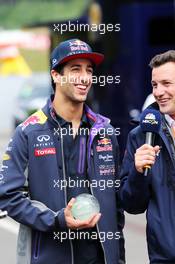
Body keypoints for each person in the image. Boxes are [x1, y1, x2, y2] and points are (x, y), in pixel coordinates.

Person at [0, 39, 125, 264]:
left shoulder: (105, 131)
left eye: (89, 70)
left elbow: (116, 208)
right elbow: (7, 196)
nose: (85, 78)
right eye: (75, 69)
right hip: (51, 257)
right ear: (56, 76)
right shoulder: (28, 132)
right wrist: (56, 220)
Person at [119, 50, 175, 263]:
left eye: (166, 83)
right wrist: (137, 172)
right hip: (164, 258)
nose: (158, 92)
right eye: (154, 85)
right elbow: (131, 204)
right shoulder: (140, 136)